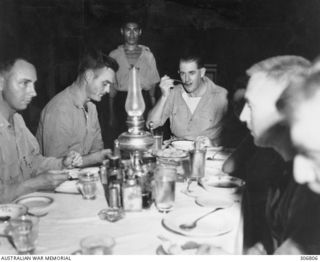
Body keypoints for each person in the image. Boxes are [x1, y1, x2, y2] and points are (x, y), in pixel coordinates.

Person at [196, 55, 314, 254]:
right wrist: (259, 251)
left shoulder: (311, 185)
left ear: (285, 113)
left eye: (250, 106)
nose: (242, 116)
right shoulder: (285, 170)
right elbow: (284, 244)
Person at [0, 57, 81, 203]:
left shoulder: (17, 121)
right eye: (24, 83)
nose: (33, 92)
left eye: (33, 84)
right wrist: (36, 183)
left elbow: (33, 161)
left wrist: (61, 163)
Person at [36, 50, 118, 166]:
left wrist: (100, 156)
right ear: (88, 76)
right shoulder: (60, 110)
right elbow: (56, 167)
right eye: (105, 84)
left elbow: (97, 150)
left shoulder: (91, 108)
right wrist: (94, 158)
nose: (108, 91)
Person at [147, 52, 228, 145]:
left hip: (207, 154)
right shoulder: (174, 93)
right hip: (176, 154)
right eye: (182, 73)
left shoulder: (221, 96)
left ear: (202, 72)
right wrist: (164, 96)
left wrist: (213, 143)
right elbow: (151, 124)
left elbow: (234, 135)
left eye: (191, 73)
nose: (186, 79)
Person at [109, 18, 160, 137]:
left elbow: (152, 90)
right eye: (128, 30)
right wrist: (111, 115)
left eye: (135, 30)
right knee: (122, 139)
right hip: (121, 103)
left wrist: (153, 111)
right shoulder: (114, 55)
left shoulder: (148, 56)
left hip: (144, 101)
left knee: (144, 138)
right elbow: (111, 90)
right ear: (122, 31)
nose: (132, 34)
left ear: (140, 32)